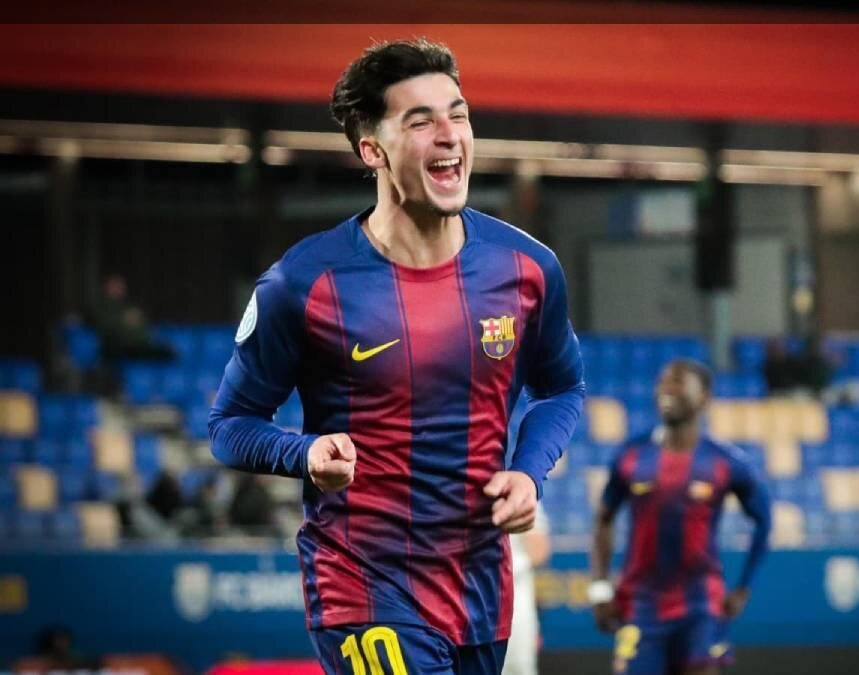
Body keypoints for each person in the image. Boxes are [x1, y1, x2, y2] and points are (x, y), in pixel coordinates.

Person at [208, 38, 585, 675]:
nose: (450, 135)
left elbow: (562, 389)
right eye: (420, 121)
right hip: (363, 581)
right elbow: (228, 426)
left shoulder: (528, 268)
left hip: (480, 588)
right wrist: (304, 454)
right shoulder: (303, 283)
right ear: (372, 151)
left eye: (458, 115)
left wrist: (528, 472)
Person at [590, 360, 772, 675]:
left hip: (701, 604)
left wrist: (744, 587)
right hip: (640, 604)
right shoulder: (631, 454)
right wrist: (600, 589)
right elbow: (604, 519)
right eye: (663, 382)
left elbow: (764, 521)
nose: (667, 389)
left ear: (704, 398)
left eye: (678, 383)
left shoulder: (726, 461)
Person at [502, 503, 550, 675]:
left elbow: (539, 551)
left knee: (518, 665)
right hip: (468, 588)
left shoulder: (520, 490)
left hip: (515, 590)